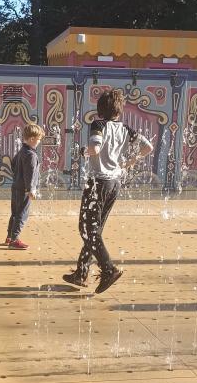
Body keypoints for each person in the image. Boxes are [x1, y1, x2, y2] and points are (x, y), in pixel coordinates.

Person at [63, 89, 153, 294]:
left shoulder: (98, 125)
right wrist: (129, 163)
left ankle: (108, 269)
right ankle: (81, 272)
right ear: (118, 111)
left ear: (100, 109)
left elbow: (94, 148)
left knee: (87, 230)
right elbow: (148, 147)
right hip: (115, 183)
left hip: (98, 183)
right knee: (95, 230)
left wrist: (82, 151)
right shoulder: (125, 129)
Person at [5, 123, 44, 250]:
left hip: (16, 186)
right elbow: (30, 174)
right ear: (32, 139)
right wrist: (30, 189)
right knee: (22, 214)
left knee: (15, 213)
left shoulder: (22, 151)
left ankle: (9, 237)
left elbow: (13, 163)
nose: (39, 142)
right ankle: (14, 239)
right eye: (38, 139)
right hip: (24, 190)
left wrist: (18, 176)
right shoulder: (31, 155)